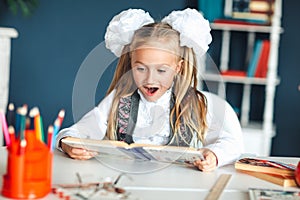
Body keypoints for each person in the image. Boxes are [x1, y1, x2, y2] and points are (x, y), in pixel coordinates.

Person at [56, 8, 244, 172]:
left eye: (161, 70)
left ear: (177, 68)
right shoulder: (120, 101)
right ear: (131, 65)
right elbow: (78, 131)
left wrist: (214, 155)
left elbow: (232, 143)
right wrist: (69, 144)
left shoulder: (199, 104)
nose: (150, 79)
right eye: (141, 69)